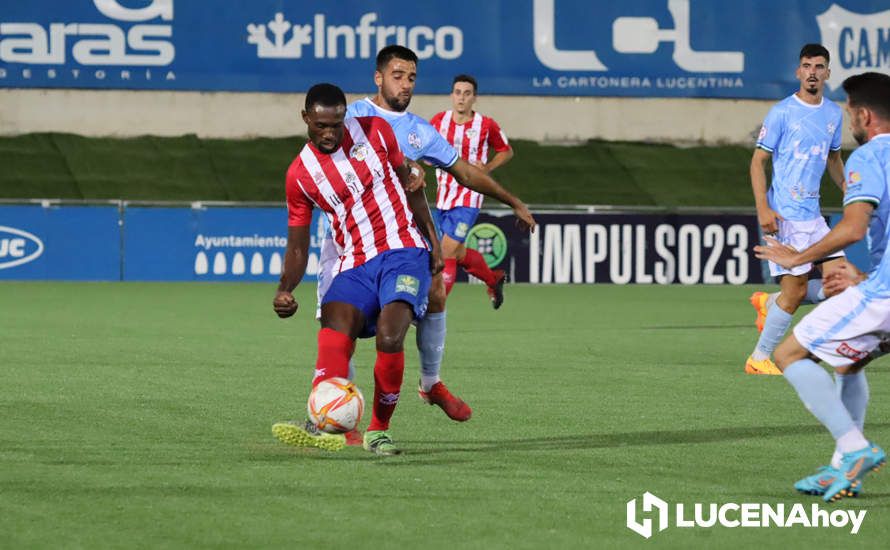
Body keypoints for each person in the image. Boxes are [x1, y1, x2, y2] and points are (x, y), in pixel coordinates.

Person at [318, 45, 536, 423]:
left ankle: (431, 383)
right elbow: (320, 161)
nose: (405, 85)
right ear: (379, 77)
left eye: (412, 78)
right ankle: (334, 415)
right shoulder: (352, 117)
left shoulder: (420, 131)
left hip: (400, 239)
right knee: (340, 329)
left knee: (436, 291)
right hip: (347, 242)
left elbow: (465, 171)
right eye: (398, 76)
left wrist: (513, 200)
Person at [270, 83, 444, 456]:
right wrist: (286, 288)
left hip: (403, 249)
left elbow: (410, 182)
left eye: (336, 124)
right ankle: (326, 423)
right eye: (321, 126)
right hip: (355, 261)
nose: (330, 133)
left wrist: (433, 240)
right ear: (306, 119)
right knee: (333, 326)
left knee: (389, 335)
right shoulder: (300, 175)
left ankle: (379, 431)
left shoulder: (375, 131)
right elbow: (298, 245)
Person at [754, 71, 890, 502]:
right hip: (880, 286)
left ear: (865, 116)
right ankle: (841, 472)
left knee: (789, 353)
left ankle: (853, 449)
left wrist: (798, 257)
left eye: (851, 112)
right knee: (848, 363)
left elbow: (852, 228)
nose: (849, 119)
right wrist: (864, 275)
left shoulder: (870, 156)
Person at [745, 43, 846, 376]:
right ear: (798, 72)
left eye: (819, 66)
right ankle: (759, 359)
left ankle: (769, 302)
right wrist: (764, 208)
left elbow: (833, 158)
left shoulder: (833, 113)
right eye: (807, 66)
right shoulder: (782, 112)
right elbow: (758, 162)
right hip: (784, 215)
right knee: (798, 290)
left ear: (828, 73)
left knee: (840, 285)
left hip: (813, 217)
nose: (813, 72)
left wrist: (849, 191)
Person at [429, 74, 515, 304]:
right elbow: (423, 146)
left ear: (474, 98)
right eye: (458, 92)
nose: (461, 98)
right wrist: (426, 158)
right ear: (451, 96)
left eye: (467, 94)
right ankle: (493, 279)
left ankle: (434, 307)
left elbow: (506, 151)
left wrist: (486, 168)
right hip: (444, 196)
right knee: (456, 253)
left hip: (470, 196)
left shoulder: (486, 125)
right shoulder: (439, 121)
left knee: (445, 252)